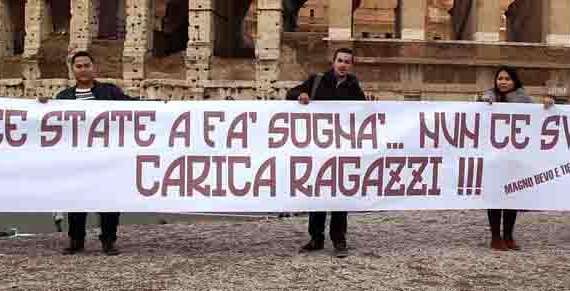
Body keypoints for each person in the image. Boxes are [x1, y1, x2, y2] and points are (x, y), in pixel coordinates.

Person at [39, 51, 134, 255]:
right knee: (75, 198)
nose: (83, 69)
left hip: (106, 155)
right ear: (73, 70)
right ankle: (76, 239)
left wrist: (162, 106)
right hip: (76, 157)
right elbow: (53, 123)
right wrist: (40, 107)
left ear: (94, 67)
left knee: (108, 199)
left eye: (86, 65)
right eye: (79, 66)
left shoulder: (110, 92)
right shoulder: (62, 98)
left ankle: (108, 240)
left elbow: (133, 107)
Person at [287, 47, 366, 258]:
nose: (343, 64)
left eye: (347, 62)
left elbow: (363, 112)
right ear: (333, 62)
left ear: (351, 65)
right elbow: (290, 94)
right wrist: (301, 95)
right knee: (318, 195)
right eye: (340, 60)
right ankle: (316, 238)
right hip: (318, 149)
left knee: (341, 195)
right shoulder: (317, 80)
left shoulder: (353, 86)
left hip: (342, 149)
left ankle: (339, 240)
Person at [478, 66, 551, 251]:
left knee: (512, 196)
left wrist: (548, 103)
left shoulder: (524, 99)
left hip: (515, 157)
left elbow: (539, 115)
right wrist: (482, 103)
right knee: (495, 197)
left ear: (514, 81)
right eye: (500, 78)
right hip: (494, 157)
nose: (502, 82)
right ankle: (495, 237)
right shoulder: (488, 98)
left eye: (507, 78)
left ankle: (508, 236)